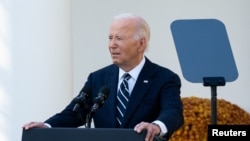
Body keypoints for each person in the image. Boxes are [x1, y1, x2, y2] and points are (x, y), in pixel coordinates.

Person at [23, 13, 184, 141]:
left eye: (119, 38)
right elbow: (75, 112)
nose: (112, 44)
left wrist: (156, 126)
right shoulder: (98, 78)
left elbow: (173, 112)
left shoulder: (164, 78)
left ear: (141, 44)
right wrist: (47, 125)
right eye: (110, 37)